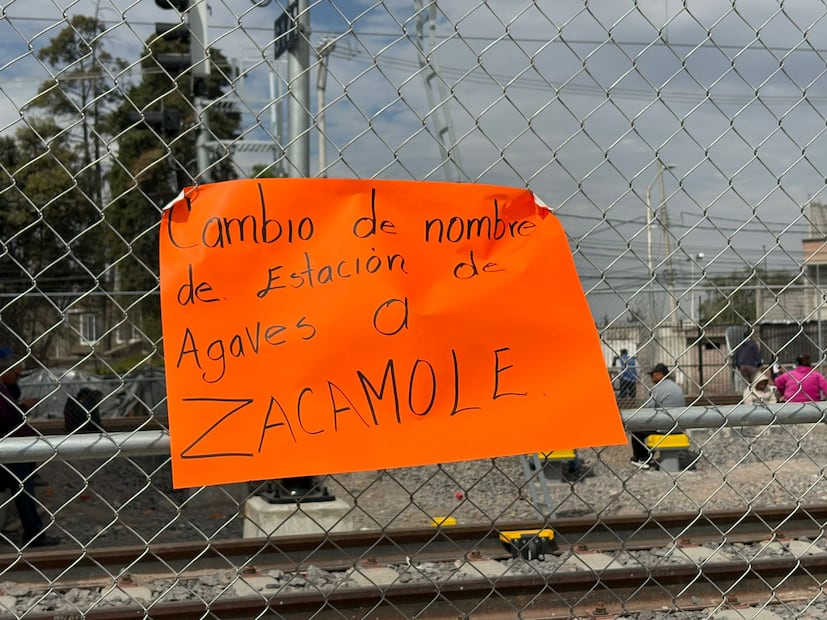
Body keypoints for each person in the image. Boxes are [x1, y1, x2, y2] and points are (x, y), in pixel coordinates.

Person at [0, 349, 60, 547]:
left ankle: (34, 532)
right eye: (15, 374)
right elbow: (7, 418)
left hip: (14, 450)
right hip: (9, 451)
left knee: (25, 491)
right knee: (25, 493)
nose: (18, 377)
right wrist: (23, 407)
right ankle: (34, 534)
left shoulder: (6, 388)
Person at [631, 363, 686, 469]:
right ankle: (647, 456)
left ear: (660, 374)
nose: (651, 377)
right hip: (679, 427)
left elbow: (649, 409)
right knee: (654, 428)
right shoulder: (675, 385)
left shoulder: (658, 388)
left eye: (653, 374)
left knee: (637, 431)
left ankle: (641, 458)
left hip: (665, 428)